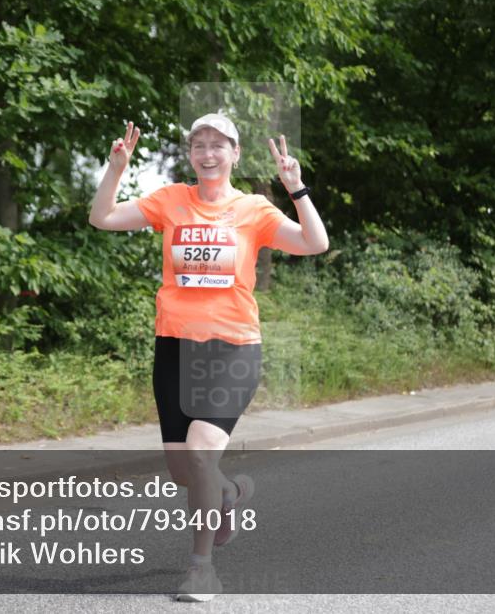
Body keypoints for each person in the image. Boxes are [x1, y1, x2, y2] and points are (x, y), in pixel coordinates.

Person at [88, 113, 329, 602]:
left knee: (199, 452)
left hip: (233, 347)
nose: (207, 152)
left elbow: (314, 243)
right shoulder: (171, 200)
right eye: (199, 144)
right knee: (185, 472)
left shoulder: (254, 209)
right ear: (191, 155)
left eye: (218, 144)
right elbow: (103, 218)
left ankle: (202, 569)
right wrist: (116, 168)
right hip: (174, 347)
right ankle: (229, 493)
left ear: (235, 154)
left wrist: (296, 189)